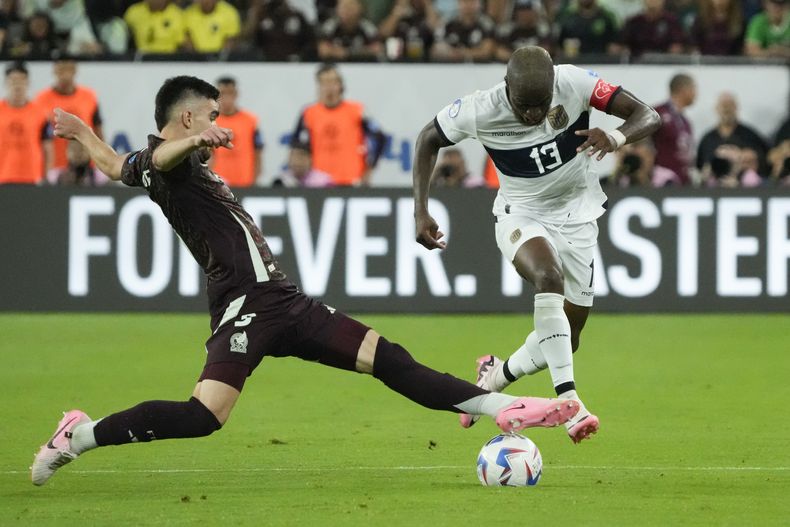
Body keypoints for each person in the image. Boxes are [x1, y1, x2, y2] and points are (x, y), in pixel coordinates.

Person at [31, 75, 581, 486]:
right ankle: (79, 435)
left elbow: (112, 166)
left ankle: (497, 406)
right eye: (212, 112)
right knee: (204, 417)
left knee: (387, 358)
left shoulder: (158, 164)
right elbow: (159, 156)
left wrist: (81, 131)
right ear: (189, 119)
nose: (221, 118)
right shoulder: (169, 162)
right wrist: (195, 142)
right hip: (244, 306)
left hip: (284, 301)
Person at [411, 46, 661, 443]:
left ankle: (495, 375)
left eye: (541, 105)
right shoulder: (480, 109)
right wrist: (421, 211)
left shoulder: (575, 82)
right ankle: (571, 403)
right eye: (524, 106)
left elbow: (648, 115)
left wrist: (614, 136)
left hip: (579, 214)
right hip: (520, 214)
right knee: (548, 276)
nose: (533, 115)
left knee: (567, 338)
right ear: (506, 87)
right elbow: (428, 138)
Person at [291, 63, 385, 186]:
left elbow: (380, 137)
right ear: (318, 86)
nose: (329, 87)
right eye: (324, 82)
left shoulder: (357, 111)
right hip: (319, 181)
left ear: (340, 85)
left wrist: (370, 168)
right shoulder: (309, 113)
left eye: (333, 82)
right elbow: (297, 146)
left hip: (351, 180)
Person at [35, 58, 103, 172]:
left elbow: (98, 131)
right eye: (61, 70)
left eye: (69, 70)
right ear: (54, 71)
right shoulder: (41, 100)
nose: (65, 75)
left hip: (86, 167)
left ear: (75, 70)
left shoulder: (89, 97)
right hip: (55, 167)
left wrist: (101, 161)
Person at [0, 61, 53, 184]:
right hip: (2, 177)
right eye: (13, 81)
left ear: (28, 82)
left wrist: (46, 178)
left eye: (21, 80)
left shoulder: (41, 113)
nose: (17, 86)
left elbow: (48, 149)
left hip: (32, 178)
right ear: (6, 83)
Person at [696, 92, 769, 176]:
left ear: (736, 108)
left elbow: (767, 158)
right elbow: (699, 167)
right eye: (723, 105)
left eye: (729, 105)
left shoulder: (750, 135)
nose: (726, 109)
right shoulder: (707, 139)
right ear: (716, 109)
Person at [210, 76, 264, 187]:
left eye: (230, 93)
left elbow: (258, 152)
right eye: (222, 94)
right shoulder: (210, 122)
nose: (226, 98)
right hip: (219, 184)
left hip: (245, 182)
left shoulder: (251, 120)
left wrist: (255, 179)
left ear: (236, 94)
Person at [652, 73, 696, 185]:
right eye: (693, 88)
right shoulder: (658, 113)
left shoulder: (685, 121)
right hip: (664, 182)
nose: (696, 93)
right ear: (683, 89)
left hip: (683, 181)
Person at [246, 0, 316, 61]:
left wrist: (301, 56)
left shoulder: (296, 15)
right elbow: (254, 39)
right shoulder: (262, 14)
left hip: (293, 60)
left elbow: (308, 38)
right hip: (266, 59)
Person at [430, 0, 496, 62]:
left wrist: (464, 54)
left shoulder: (486, 24)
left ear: (478, 4)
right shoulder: (447, 24)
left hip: (480, 68)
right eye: (465, 2)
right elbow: (435, 50)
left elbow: (488, 52)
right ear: (458, 3)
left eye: (472, 2)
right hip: (450, 68)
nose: (468, 6)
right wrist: (448, 53)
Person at [317, 0, 382, 61]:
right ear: (337, 9)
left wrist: (349, 53)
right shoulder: (330, 26)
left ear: (360, 9)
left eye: (350, 7)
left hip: (362, 66)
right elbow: (323, 50)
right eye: (343, 7)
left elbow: (377, 49)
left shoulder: (367, 27)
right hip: (336, 64)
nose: (346, 12)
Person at [621, 0, 686, 58]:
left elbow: (678, 44)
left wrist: (675, 52)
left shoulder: (672, 21)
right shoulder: (634, 21)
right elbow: (621, 44)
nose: (653, 1)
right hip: (637, 63)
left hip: (665, 62)